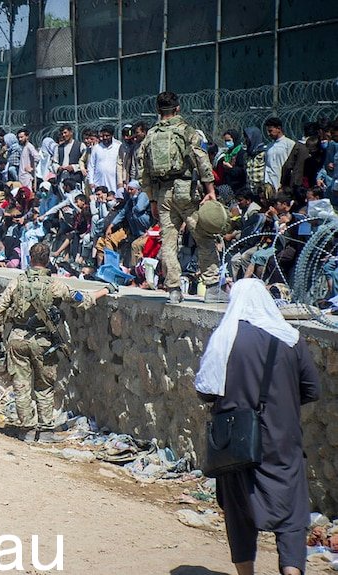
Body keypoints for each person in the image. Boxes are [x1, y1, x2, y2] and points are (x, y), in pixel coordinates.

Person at [194, 279, 320, 575]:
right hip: (282, 438)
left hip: (237, 440)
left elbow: (205, 390)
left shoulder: (225, 337)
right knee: (291, 512)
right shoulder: (289, 338)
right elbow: (312, 389)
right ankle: (292, 571)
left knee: (239, 511)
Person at [0, 242, 112, 442]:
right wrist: (105, 290)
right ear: (48, 260)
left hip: (18, 338)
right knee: (44, 386)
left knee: (21, 385)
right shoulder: (55, 284)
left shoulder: (17, 282)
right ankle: (45, 431)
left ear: (30, 258)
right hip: (44, 342)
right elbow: (82, 299)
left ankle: (27, 429)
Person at [139, 91, 222, 304]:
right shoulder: (187, 131)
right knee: (203, 236)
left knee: (168, 242)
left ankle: (174, 290)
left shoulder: (150, 135)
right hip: (186, 191)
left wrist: (152, 200)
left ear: (158, 111)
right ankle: (212, 288)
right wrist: (210, 190)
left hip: (163, 193)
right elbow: (201, 160)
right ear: (177, 109)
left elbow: (143, 172)